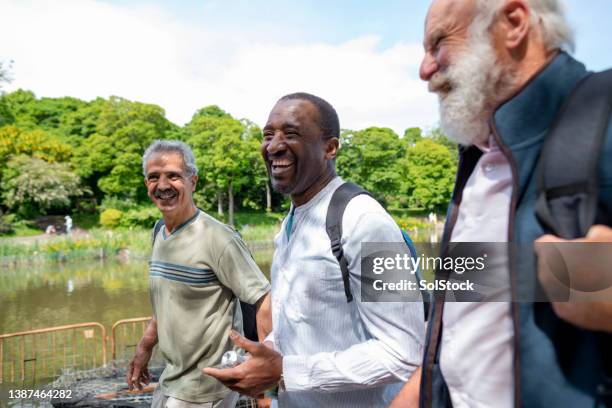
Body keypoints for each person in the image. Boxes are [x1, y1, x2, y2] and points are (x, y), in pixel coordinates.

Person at [391, 0, 612, 407]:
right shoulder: (478, 158)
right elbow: (463, 337)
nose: (424, 70)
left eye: (439, 43)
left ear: (513, 23)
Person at [204, 93, 425, 407]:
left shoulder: (365, 221)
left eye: (291, 134)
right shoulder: (291, 224)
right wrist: (261, 360)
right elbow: (297, 325)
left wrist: (285, 372)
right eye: (268, 135)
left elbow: (402, 353)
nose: (274, 146)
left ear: (330, 147)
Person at [127, 140, 272, 408]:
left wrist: (268, 376)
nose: (162, 186)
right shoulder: (160, 231)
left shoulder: (217, 238)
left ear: (193, 181)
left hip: (207, 386)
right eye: (153, 177)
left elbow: (264, 300)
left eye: (173, 176)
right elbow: (166, 302)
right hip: (172, 377)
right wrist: (145, 347)